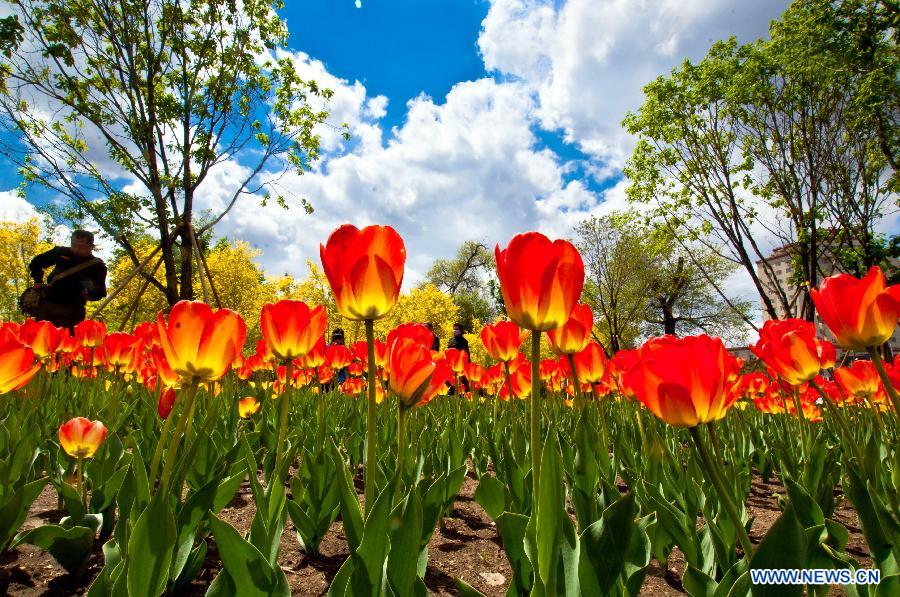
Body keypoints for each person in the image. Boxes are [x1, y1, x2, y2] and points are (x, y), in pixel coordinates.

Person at [29, 230, 107, 332]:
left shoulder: (97, 266)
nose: (76, 249)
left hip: (72, 311)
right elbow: (35, 263)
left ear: (91, 247)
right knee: (40, 339)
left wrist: (90, 295)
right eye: (73, 245)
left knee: (67, 344)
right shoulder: (61, 252)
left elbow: (100, 292)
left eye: (82, 247)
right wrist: (38, 280)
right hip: (47, 304)